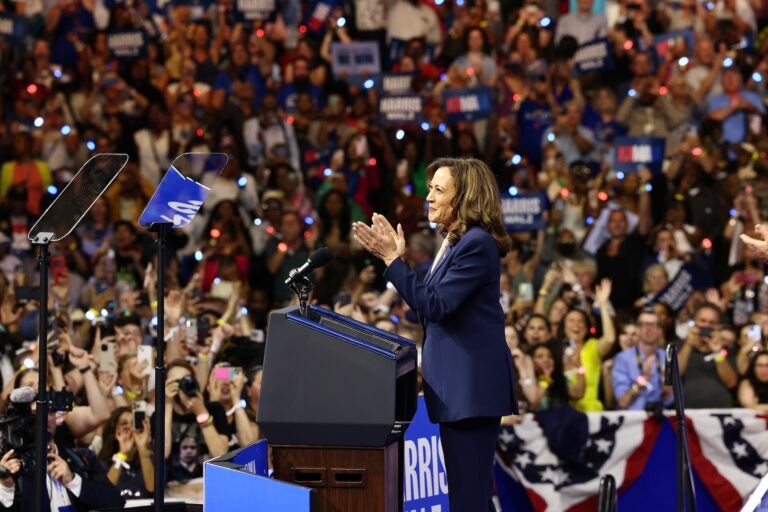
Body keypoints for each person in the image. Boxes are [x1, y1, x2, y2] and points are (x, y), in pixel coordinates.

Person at [352, 157, 517, 512]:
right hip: (458, 392)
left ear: (465, 198)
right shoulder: (456, 243)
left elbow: (437, 306)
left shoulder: (476, 243)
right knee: (470, 498)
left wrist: (393, 262)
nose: (429, 197)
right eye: (430, 188)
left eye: (439, 190)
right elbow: (429, 306)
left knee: (468, 500)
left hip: (470, 393)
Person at [612, 309, 672, 410]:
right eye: (644, 325)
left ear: (660, 330)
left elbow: (670, 401)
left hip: (660, 419)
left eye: (653, 325)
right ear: (638, 329)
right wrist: (640, 383)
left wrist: (665, 384)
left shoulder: (667, 358)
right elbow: (622, 402)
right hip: (632, 421)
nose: (649, 329)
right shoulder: (623, 358)